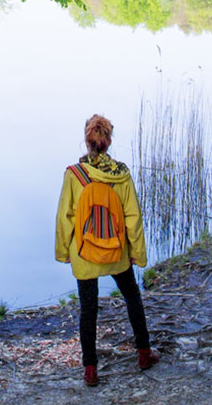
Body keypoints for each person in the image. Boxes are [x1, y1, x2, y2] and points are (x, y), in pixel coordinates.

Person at [54, 114, 157, 387]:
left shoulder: (74, 175)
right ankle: (144, 354)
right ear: (108, 141)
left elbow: (65, 216)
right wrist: (137, 254)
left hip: (84, 252)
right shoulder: (121, 174)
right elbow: (132, 216)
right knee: (132, 297)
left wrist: (64, 251)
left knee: (88, 310)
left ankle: (90, 370)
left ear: (87, 141)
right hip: (116, 252)